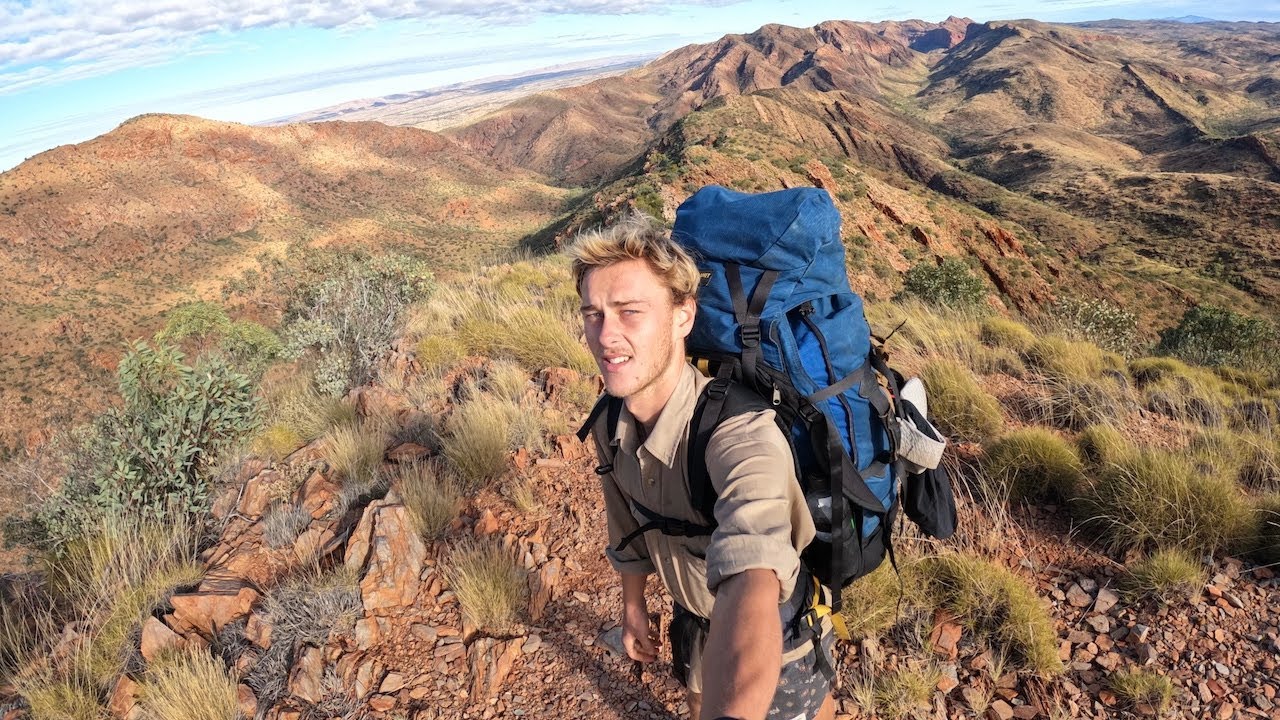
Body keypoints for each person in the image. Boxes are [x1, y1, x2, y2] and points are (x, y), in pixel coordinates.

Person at [568, 215, 836, 720]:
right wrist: (633, 607)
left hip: (773, 634)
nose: (605, 336)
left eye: (629, 312)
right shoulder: (609, 422)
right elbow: (626, 521)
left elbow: (752, 568)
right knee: (696, 702)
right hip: (691, 619)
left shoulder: (739, 432)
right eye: (594, 314)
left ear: (682, 316)